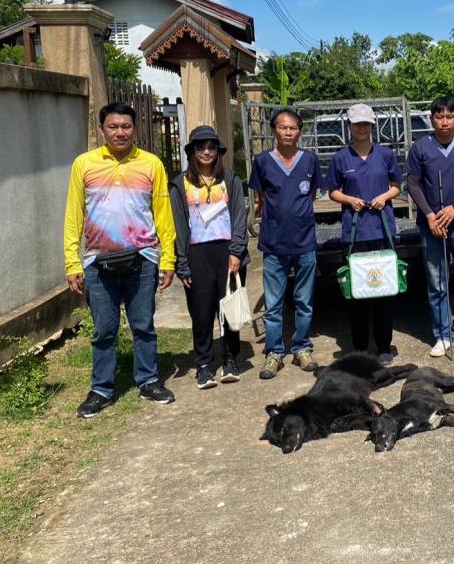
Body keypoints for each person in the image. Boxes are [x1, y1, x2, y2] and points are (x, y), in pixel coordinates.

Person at [64, 102, 176, 418]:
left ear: (134, 128)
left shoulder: (151, 164)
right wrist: (72, 262)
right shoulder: (84, 165)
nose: (120, 132)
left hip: (142, 259)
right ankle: (101, 389)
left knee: (143, 326)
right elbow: (73, 215)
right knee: (104, 329)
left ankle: (149, 380)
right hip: (98, 262)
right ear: (102, 129)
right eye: (113, 126)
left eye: (126, 126)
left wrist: (167, 259)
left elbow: (163, 214)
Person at [169, 126, 251, 390]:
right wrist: (182, 263)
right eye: (200, 146)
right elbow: (177, 225)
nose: (206, 151)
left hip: (227, 252)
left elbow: (239, 216)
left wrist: (236, 251)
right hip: (197, 254)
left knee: (229, 309)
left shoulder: (230, 179)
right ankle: (204, 365)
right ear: (192, 151)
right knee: (201, 312)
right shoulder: (180, 184)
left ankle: (230, 359)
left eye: (212, 146)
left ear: (218, 151)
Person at [406, 96, 454, 358]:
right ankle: (442, 334)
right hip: (432, 226)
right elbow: (413, 183)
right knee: (437, 283)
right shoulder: (420, 147)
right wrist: (429, 215)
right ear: (432, 119)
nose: (444, 122)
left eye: (449, 116)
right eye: (439, 117)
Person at [325, 103, 403, 363]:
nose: (361, 128)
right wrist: (350, 200)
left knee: (384, 292)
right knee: (358, 293)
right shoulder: (340, 158)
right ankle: (359, 348)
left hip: (382, 232)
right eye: (357, 123)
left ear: (372, 126)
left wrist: (384, 197)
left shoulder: (385, 155)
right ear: (349, 126)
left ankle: (383, 346)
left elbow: (397, 186)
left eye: (366, 124)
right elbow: (332, 191)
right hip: (355, 234)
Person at [249, 108, 323, 380]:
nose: (288, 132)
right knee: (273, 304)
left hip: (304, 242)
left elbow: (312, 194)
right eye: (283, 127)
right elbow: (261, 198)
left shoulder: (309, 160)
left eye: (293, 128)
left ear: (300, 131)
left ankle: (302, 348)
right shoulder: (263, 161)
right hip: (274, 243)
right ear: (274, 130)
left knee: (304, 301)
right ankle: (274, 353)